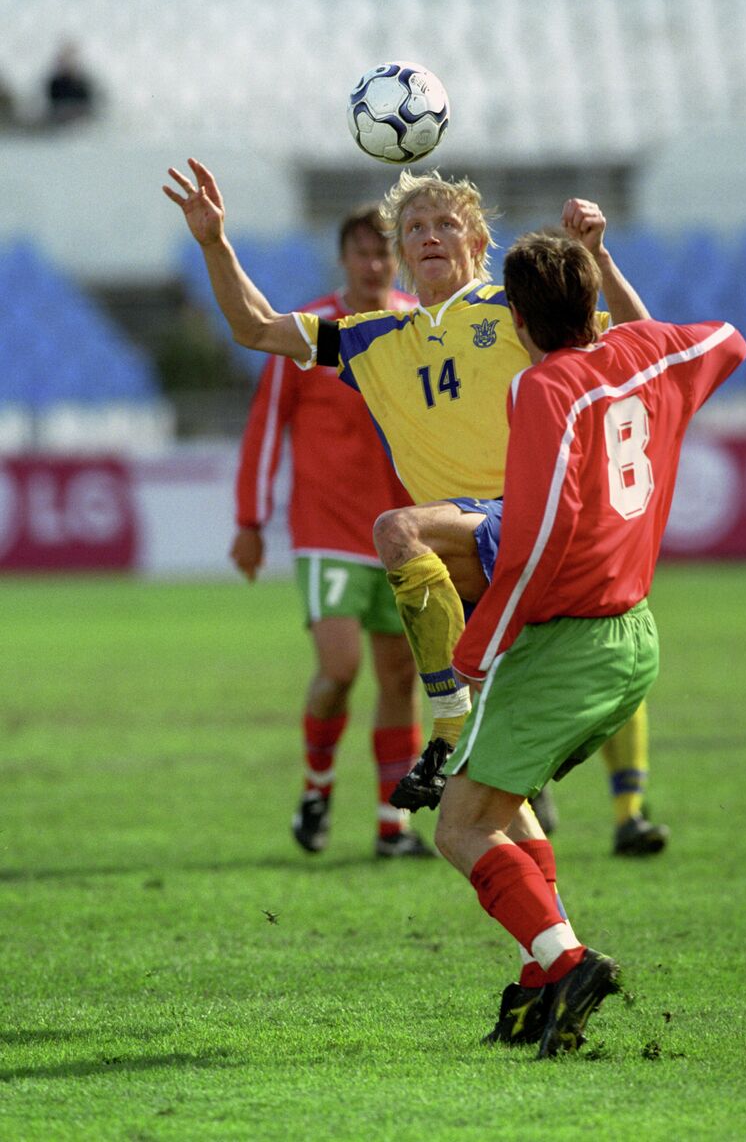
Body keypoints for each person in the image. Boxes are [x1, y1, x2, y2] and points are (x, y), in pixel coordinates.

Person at [162, 159, 665, 861]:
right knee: (486, 806)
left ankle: (455, 717)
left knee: (400, 532)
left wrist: (600, 258)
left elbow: (646, 351)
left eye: (446, 223)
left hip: (535, 529)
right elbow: (255, 328)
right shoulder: (374, 338)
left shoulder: (515, 315)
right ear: (402, 250)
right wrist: (214, 241)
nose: (429, 236)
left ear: (476, 243)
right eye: (415, 227)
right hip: (475, 553)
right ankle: (555, 948)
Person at [436, 230, 746, 1057]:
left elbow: (539, 535)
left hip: (566, 644)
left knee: (461, 826)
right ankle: (542, 986)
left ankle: (566, 963)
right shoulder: (646, 354)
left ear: (516, 318)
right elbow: (729, 341)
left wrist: (477, 644)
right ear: (594, 302)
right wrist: (610, 265)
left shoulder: (543, 389)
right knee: (507, 805)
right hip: (635, 640)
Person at [230, 206, 432, 860]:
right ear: (342, 258)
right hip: (328, 528)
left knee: (399, 677)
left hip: (403, 529)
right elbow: (266, 426)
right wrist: (250, 519)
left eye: (383, 253)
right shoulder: (310, 332)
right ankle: (318, 788)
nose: (374, 264)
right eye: (362, 253)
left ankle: (391, 826)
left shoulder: (419, 326)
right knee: (340, 669)